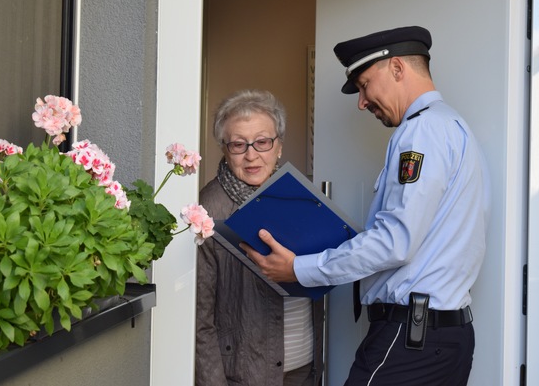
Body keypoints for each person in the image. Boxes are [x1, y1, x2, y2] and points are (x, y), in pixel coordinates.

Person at [243, 26, 491, 385]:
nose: (362, 102)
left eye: (364, 84)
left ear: (397, 69)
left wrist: (300, 268)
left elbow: (395, 243)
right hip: (442, 338)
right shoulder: (453, 126)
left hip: (412, 341)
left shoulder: (421, 132)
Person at [196, 89, 324, 386]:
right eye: (239, 144)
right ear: (225, 150)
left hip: (305, 368)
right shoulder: (207, 209)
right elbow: (199, 321)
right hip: (245, 375)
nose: (251, 155)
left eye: (262, 142)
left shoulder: (300, 195)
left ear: (278, 147)